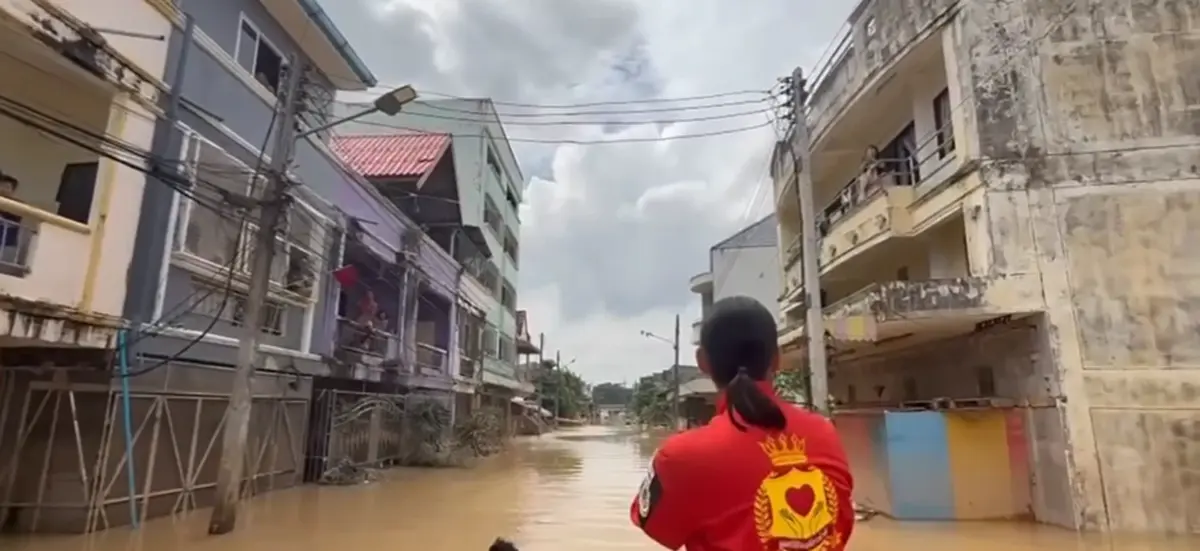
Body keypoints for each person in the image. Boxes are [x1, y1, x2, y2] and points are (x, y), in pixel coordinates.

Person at [630, 296, 854, 551]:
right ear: (776, 359)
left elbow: (656, 527)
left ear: (703, 362)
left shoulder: (682, 456)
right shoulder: (825, 432)